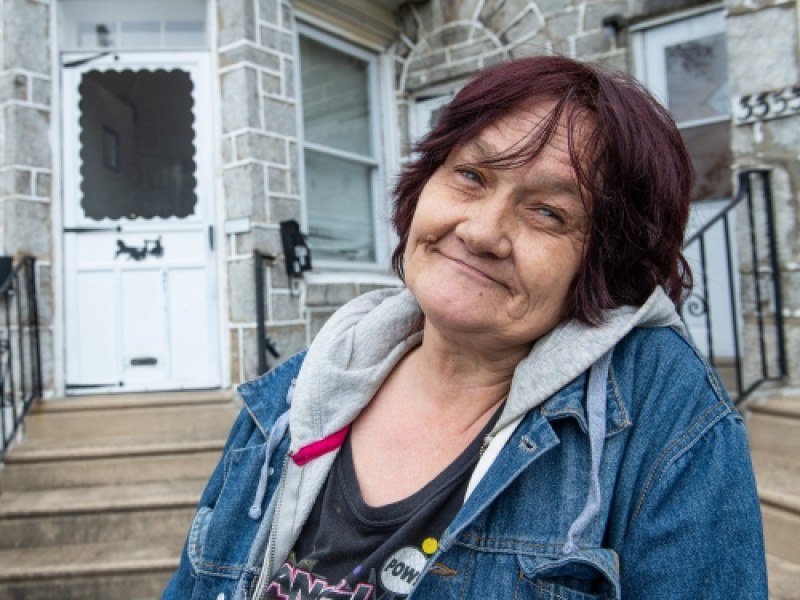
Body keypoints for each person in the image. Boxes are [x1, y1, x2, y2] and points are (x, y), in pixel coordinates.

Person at [163, 55, 767, 600]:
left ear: (605, 262)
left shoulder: (663, 413)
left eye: (548, 212)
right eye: (471, 176)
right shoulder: (297, 396)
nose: (480, 232)